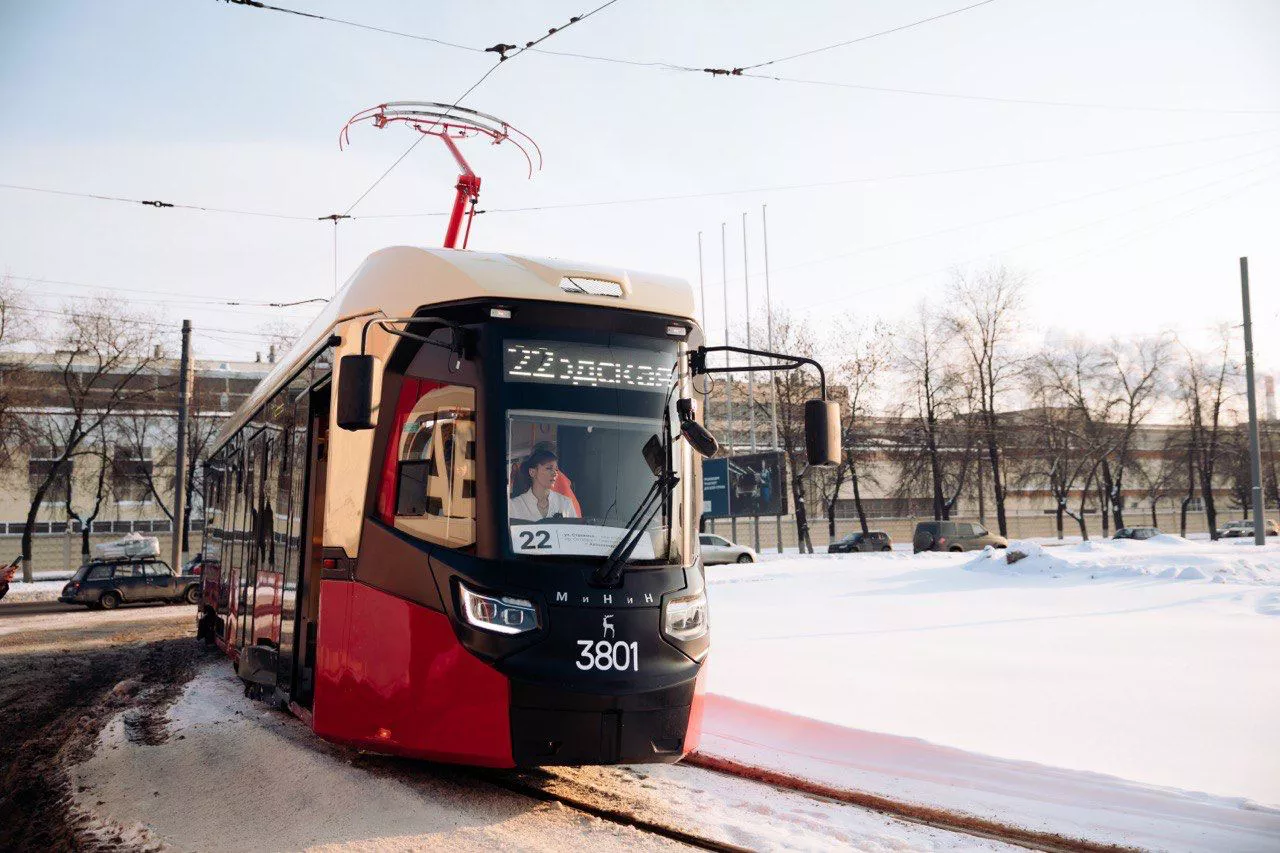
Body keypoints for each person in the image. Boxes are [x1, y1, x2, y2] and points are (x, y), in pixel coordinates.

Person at [509, 448, 579, 522]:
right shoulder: (514, 506)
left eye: (556, 469)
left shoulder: (565, 503)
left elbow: (575, 531)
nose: (555, 473)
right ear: (532, 472)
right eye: (549, 468)